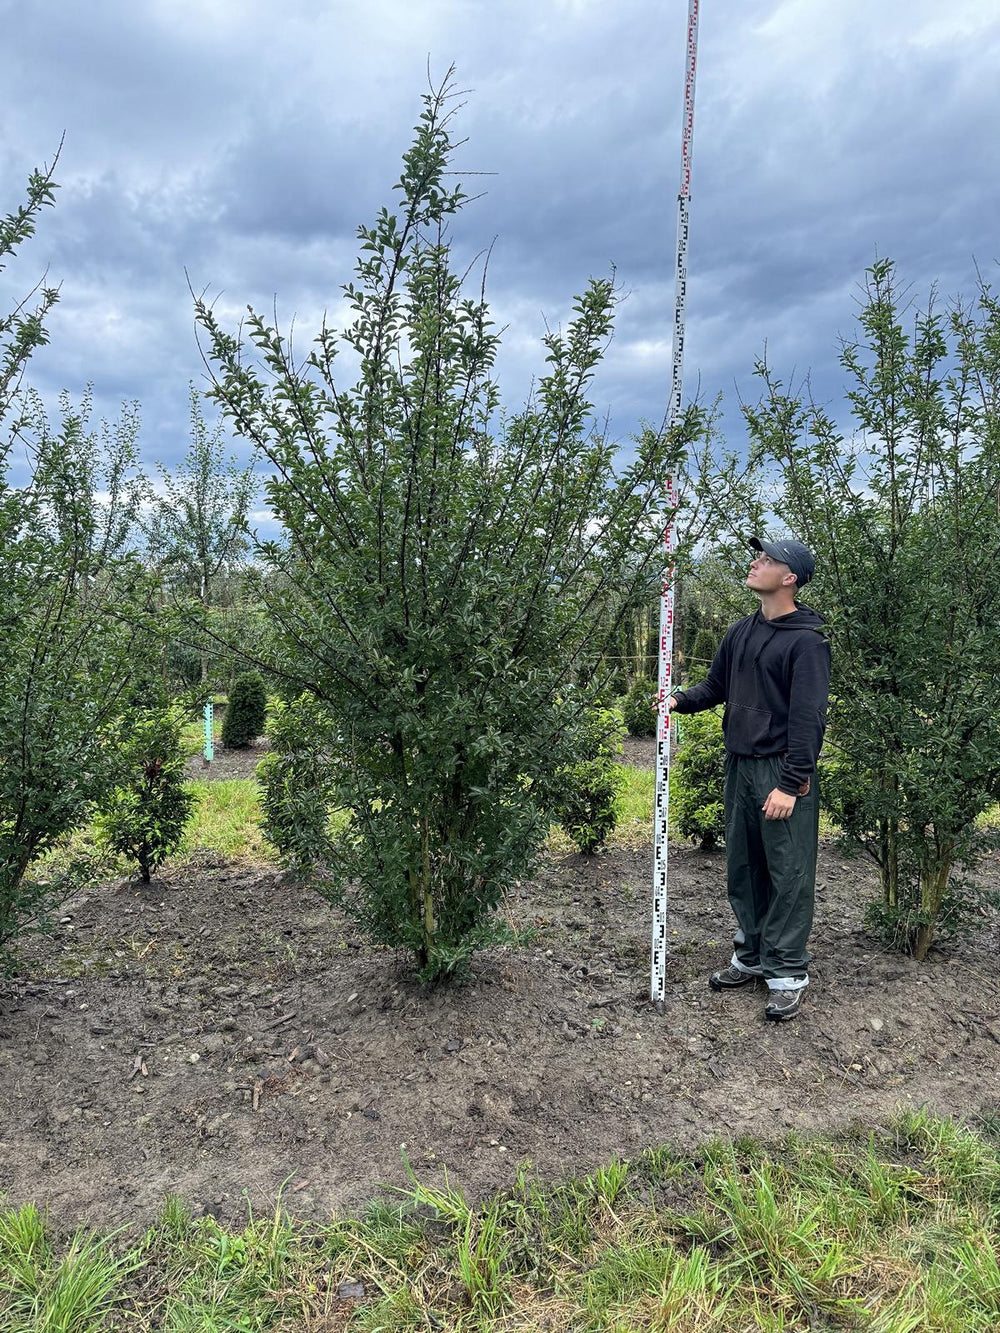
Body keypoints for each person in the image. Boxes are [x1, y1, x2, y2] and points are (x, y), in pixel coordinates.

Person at [667, 537, 831, 1021]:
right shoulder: (741, 632)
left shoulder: (808, 641)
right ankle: (752, 955)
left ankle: (786, 972)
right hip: (739, 766)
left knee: (788, 872)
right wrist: (679, 700)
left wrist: (791, 781)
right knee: (743, 866)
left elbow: (808, 718)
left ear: (789, 578)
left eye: (767, 560)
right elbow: (717, 686)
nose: (756, 562)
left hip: (780, 771)